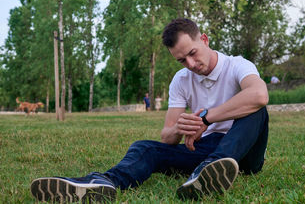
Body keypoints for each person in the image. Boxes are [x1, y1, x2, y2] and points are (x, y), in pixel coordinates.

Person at [30, 18, 269, 203]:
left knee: (256, 109)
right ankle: (105, 182)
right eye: (182, 60)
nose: (191, 65)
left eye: (192, 53)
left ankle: (209, 171)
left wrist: (206, 118)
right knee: (144, 147)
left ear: (204, 39)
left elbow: (259, 95)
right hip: (206, 150)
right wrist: (179, 127)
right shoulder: (181, 80)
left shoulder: (237, 64)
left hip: (244, 153)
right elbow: (166, 136)